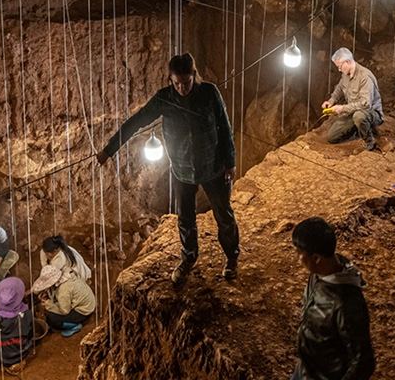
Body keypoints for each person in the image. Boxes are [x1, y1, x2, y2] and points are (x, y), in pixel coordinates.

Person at [97, 53, 240, 283]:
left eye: (186, 82)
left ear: (194, 76)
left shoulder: (209, 92)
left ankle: (232, 258)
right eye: (177, 83)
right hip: (182, 170)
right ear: (170, 80)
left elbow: (224, 126)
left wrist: (230, 161)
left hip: (213, 165)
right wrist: (109, 150)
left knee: (223, 215)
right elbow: (136, 121)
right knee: (185, 218)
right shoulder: (164, 99)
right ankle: (188, 258)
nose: (182, 88)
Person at [291, 217, 375, 380]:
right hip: (307, 368)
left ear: (316, 258)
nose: (297, 259)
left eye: (299, 253)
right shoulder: (318, 273)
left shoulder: (346, 304)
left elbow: (363, 362)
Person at [29, 235, 96, 336]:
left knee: (53, 319)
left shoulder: (64, 287)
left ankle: (75, 325)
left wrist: (47, 303)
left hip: (84, 310)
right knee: (56, 304)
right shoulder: (64, 273)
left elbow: (64, 311)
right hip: (86, 300)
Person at [321, 48, 384, 152]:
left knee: (359, 116)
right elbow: (339, 88)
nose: (339, 70)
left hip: (370, 112)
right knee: (332, 137)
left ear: (347, 62)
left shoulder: (364, 77)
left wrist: (342, 108)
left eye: (340, 66)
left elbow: (366, 104)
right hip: (353, 111)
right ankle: (359, 129)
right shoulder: (345, 74)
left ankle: (369, 141)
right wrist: (331, 101)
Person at [0, 277, 34, 372]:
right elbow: (30, 333)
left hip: (1, 358)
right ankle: (17, 362)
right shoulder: (26, 314)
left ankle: (4, 364)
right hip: (20, 354)